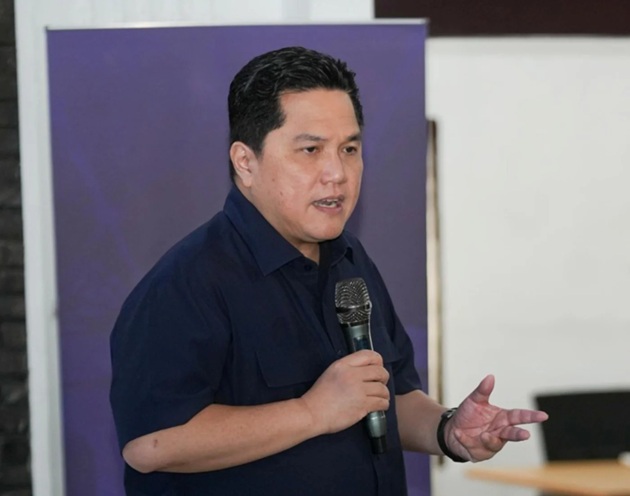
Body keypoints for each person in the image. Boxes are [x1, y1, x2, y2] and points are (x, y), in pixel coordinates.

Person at [109, 46, 547, 496]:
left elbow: (388, 396)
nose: (337, 172)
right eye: (311, 149)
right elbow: (152, 445)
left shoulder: (350, 260)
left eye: (349, 149)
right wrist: (311, 412)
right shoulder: (187, 282)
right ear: (245, 162)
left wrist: (448, 430)